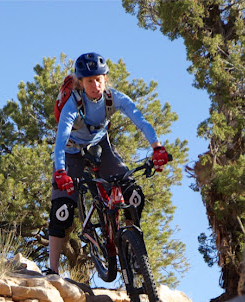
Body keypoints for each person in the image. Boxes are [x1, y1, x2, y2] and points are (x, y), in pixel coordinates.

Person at [47, 51, 169, 275]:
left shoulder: (114, 98)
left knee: (134, 195)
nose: (95, 85)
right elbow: (61, 140)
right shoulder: (72, 105)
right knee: (62, 210)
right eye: (89, 81)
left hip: (100, 146)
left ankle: (135, 254)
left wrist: (157, 147)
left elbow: (141, 120)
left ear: (105, 78)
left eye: (98, 79)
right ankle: (52, 270)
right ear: (81, 83)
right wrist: (61, 171)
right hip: (71, 151)